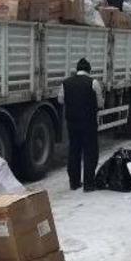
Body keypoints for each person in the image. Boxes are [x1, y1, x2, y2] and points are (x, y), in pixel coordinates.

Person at [58, 58, 104, 192]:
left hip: (72, 123)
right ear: (89, 70)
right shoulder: (93, 82)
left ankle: (74, 182)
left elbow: (60, 100)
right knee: (90, 152)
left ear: (77, 69)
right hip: (89, 123)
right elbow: (100, 103)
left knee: (74, 151)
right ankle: (88, 184)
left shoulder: (65, 83)